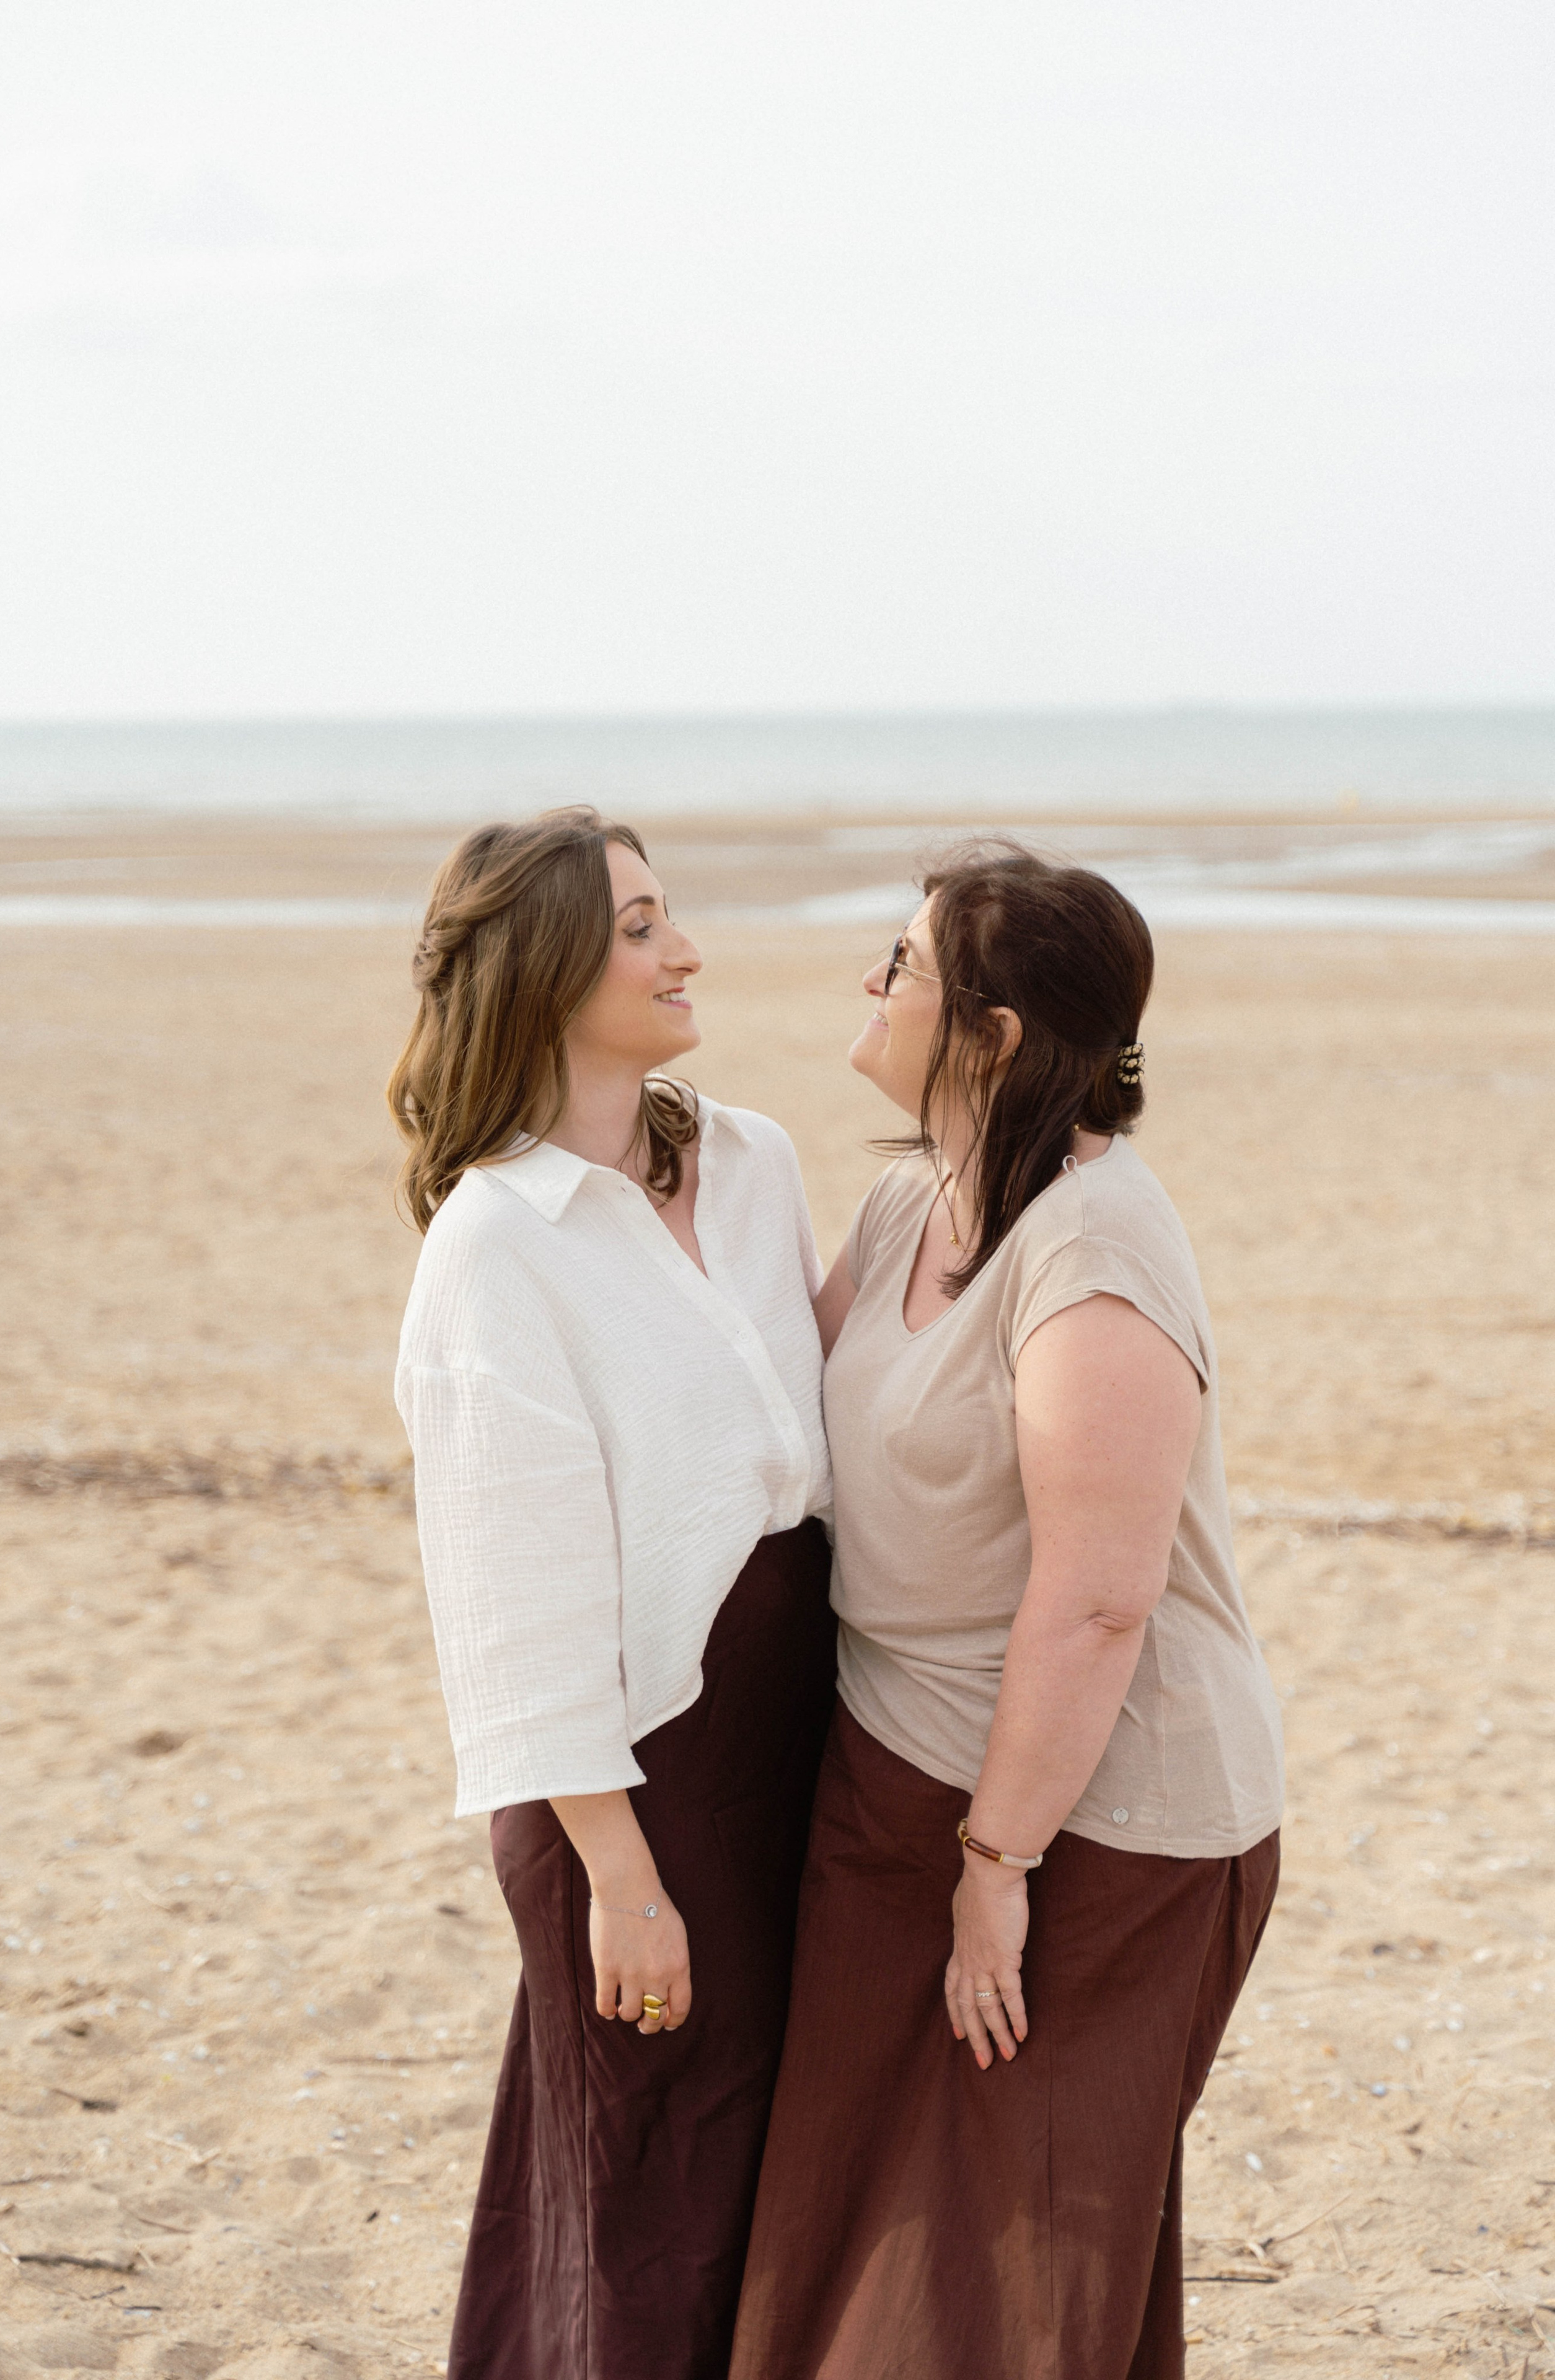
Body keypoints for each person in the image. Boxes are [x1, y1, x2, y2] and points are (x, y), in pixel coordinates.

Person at [728, 839, 1284, 2380]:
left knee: (1008, 2272)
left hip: (1091, 1821)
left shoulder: (1092, 1253)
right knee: (852, 2213)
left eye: (902, 964)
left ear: (989, 1034)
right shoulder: (906, 1201)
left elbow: (1099, 1602)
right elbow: (771, 1430)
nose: (869, 981)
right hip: (898, 1771)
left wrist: (995, 1865)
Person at [389, 808, 835, 2380]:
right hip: (639, 1774)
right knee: (654, 2186)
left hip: (804, 1729)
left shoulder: (753, 1160)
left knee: (767, 2169)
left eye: (668, 916)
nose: (683, 950)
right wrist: (620, 1874)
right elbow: (512, 1610)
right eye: (639, 929)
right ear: (545, 971)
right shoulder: (492, 1248)